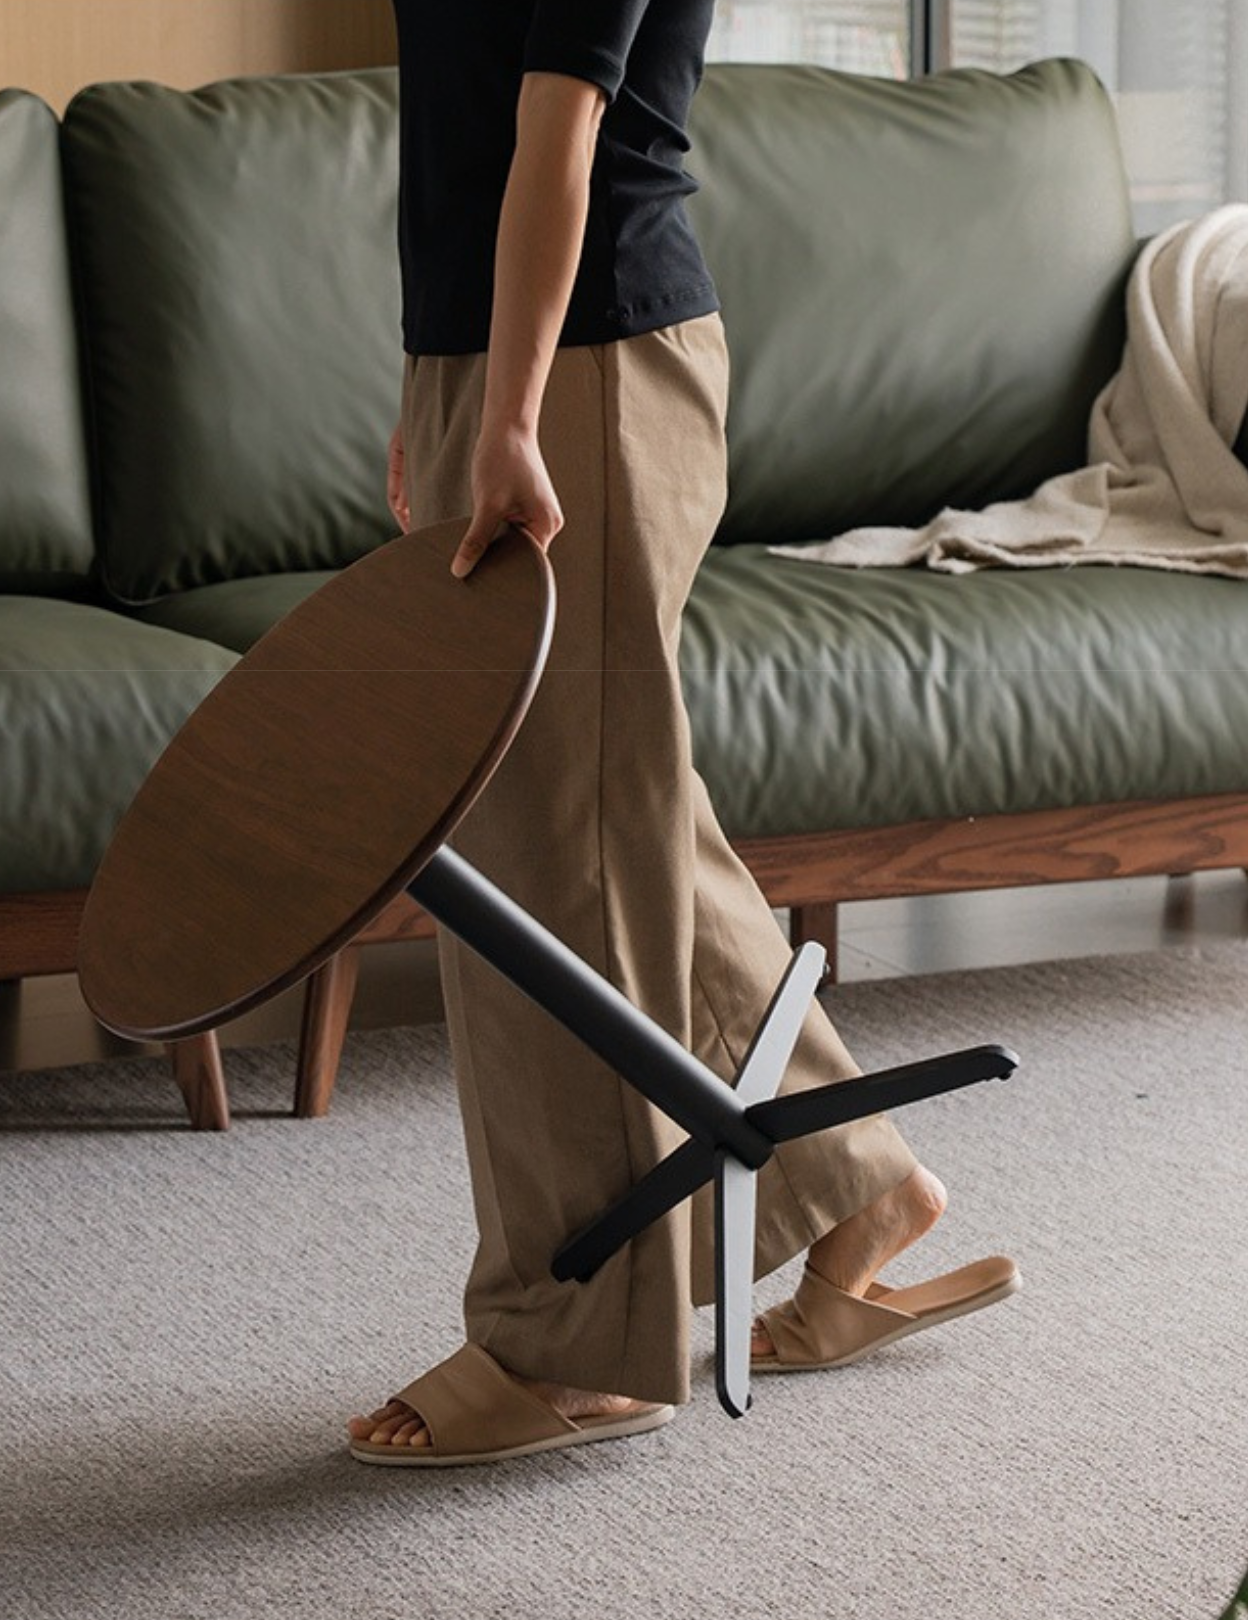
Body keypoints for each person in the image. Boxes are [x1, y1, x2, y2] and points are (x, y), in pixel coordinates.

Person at [348, 0, 1018, 1467]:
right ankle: (854, 1180)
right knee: (617, 819)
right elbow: (459, 135)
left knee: (556, 861)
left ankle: (586, 1343)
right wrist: (447, 386)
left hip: (589, 361)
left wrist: (506, 411)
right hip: (513, 358)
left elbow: (558, 133)